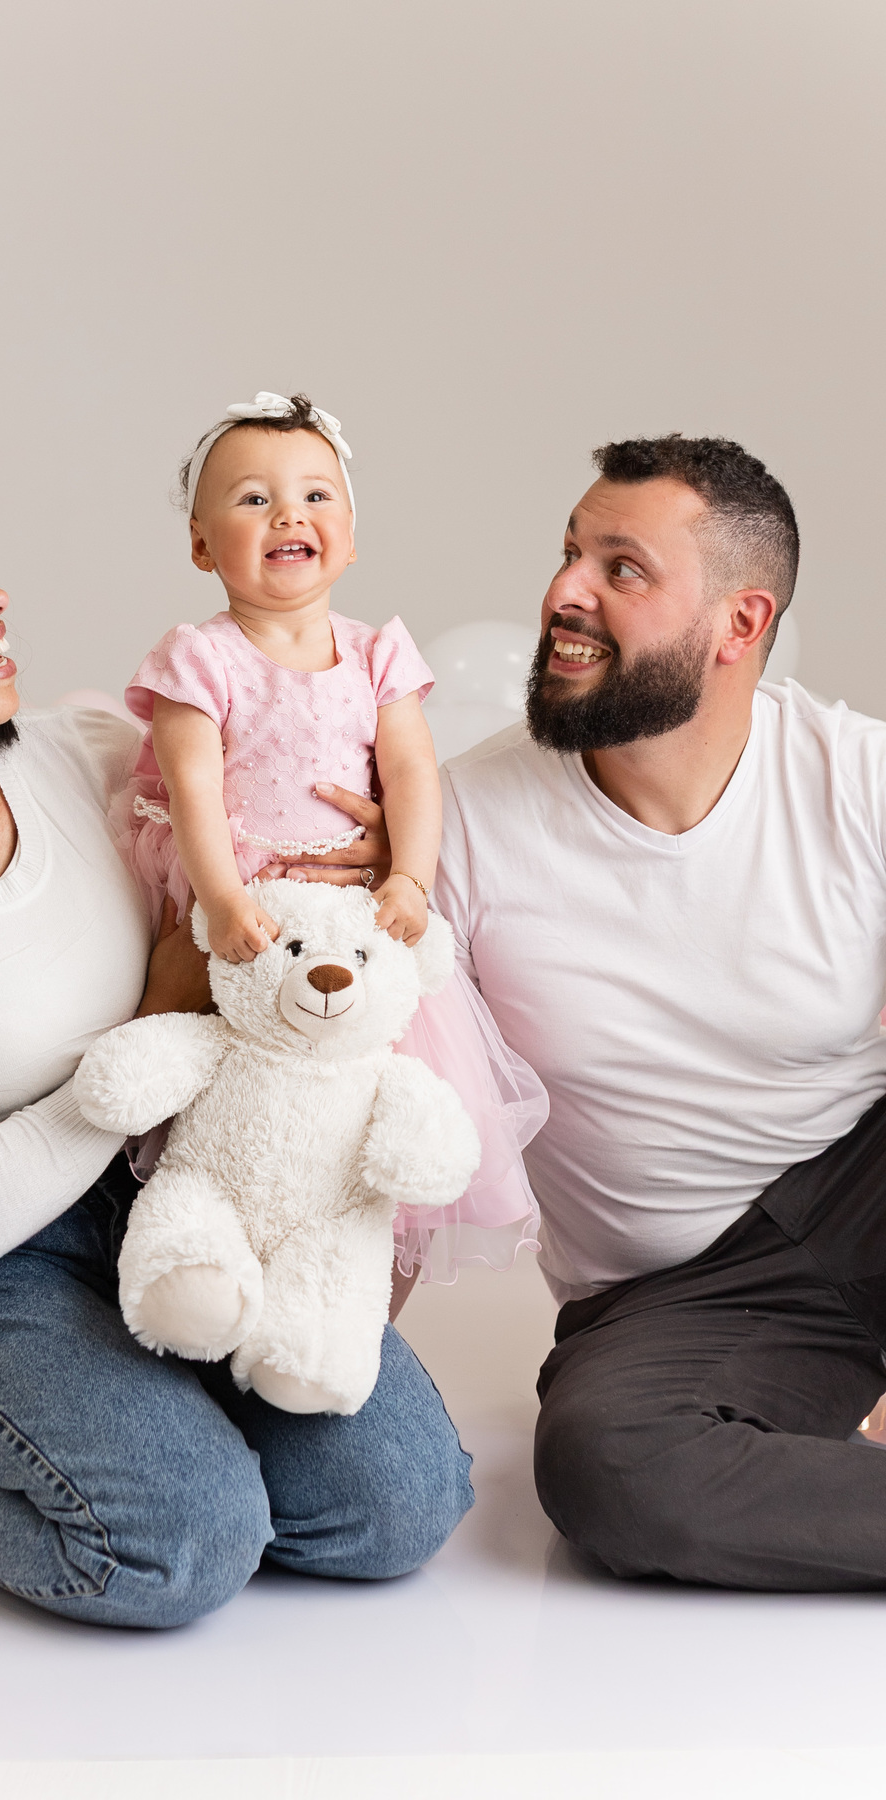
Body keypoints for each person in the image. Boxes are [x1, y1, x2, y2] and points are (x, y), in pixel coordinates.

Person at [0, 467, 473, 1627]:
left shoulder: (90, 753)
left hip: (178, 1192)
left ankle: (144, 1433)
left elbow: (275, 811)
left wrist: (363, 857)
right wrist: (153, 1019)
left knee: (400, 1503)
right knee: (182, 1543)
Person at [434, 433, 886, 1590]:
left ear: (741, 623)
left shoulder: (858, 779)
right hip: (679, 1295)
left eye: (621, 568)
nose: (564, 593)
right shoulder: (461, 824)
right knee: (611, 1469)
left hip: (862, 1183)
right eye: (569, 553)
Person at [115, 391, 547, 1279]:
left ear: (350, 537)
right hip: (246, 902)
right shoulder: (200, 658)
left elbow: (413, 773)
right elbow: (194, 788)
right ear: (201, 545)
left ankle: (358, 1297)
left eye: (316, 496)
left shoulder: (377, 653)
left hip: (351, 917)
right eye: (253, 499)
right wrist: (222, 899)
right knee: (215, 1076)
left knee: (371, 1111)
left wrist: (410, 879)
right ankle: (188, 1245)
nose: (288, 514)